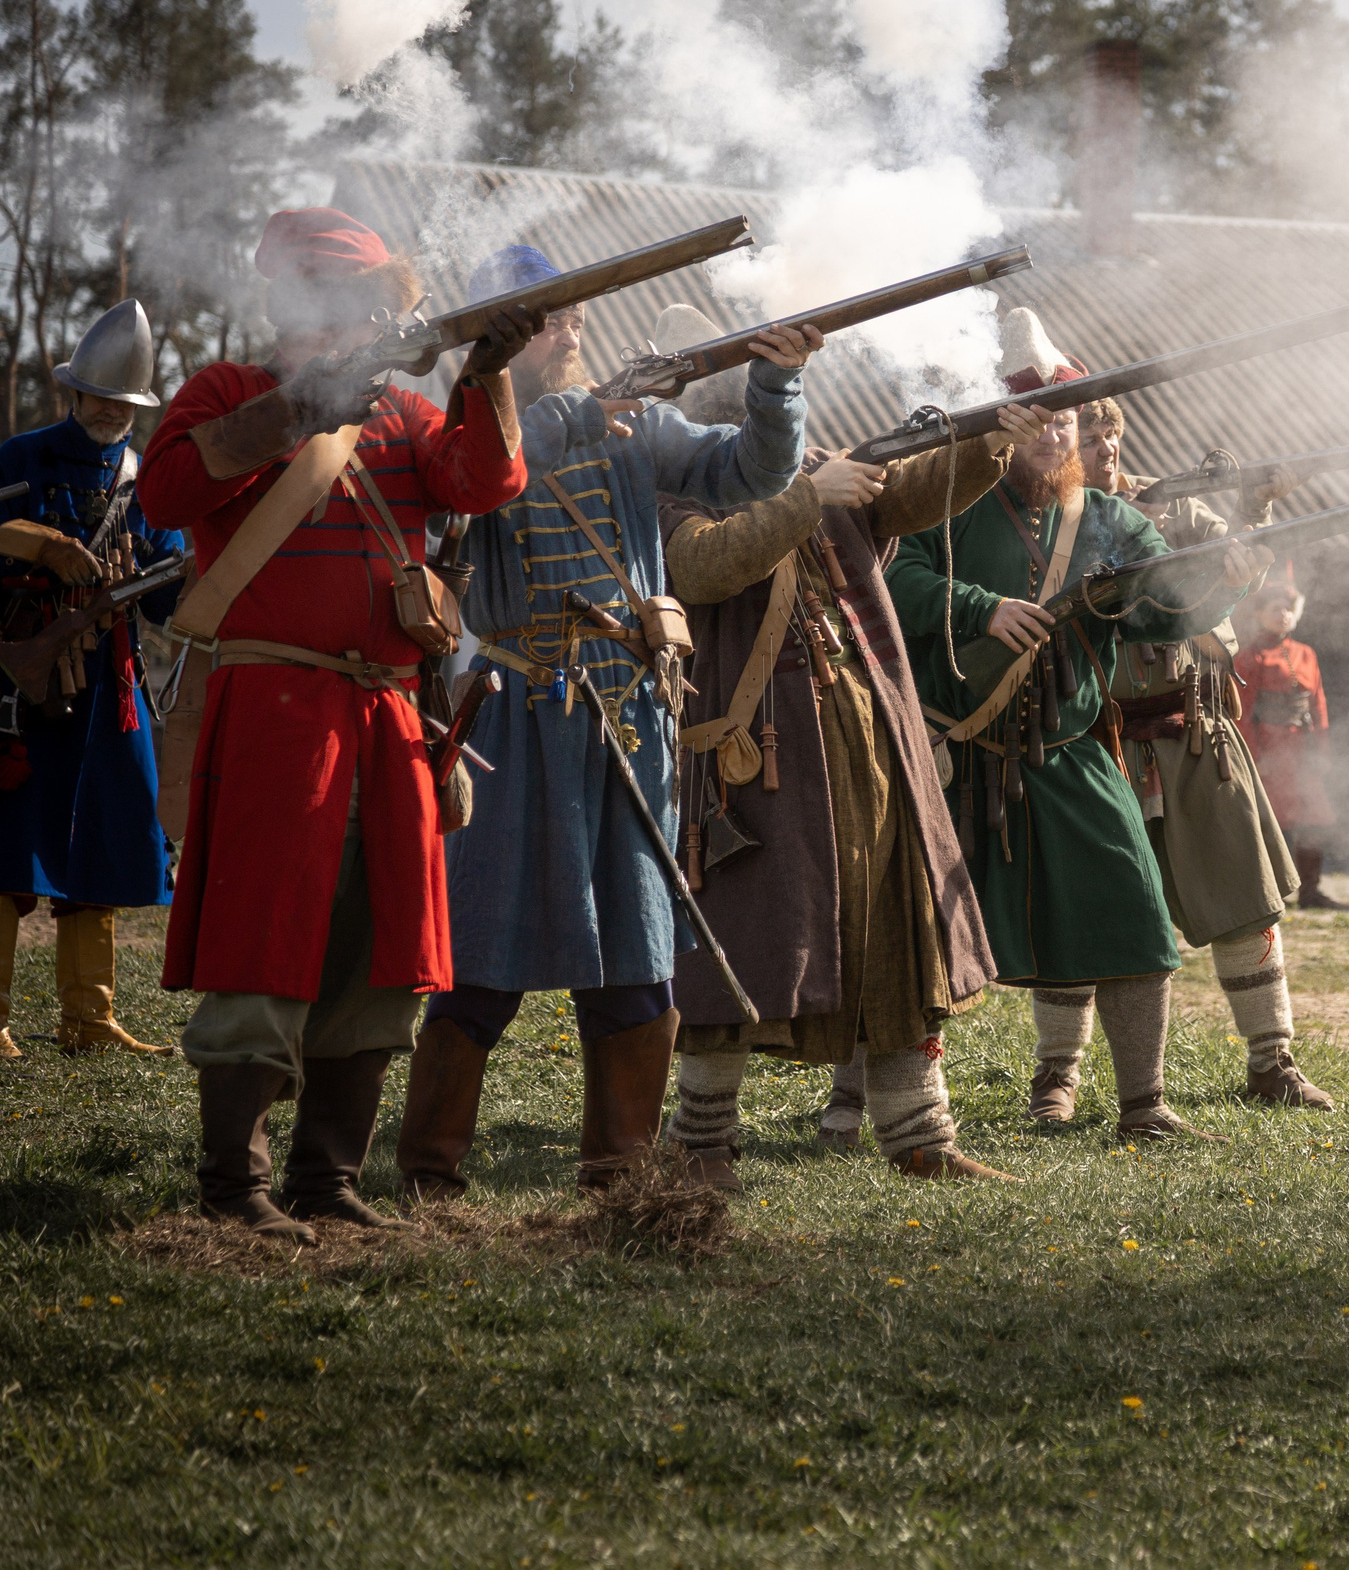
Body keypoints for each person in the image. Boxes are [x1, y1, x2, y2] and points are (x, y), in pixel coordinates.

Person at [139, 208, 533, 1242]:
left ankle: (327, 1177)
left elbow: (481, 482)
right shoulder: (229, 392)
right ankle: (235, 1182)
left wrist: (485, 375)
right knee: (263, 942)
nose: (354, 319)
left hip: (390, 716)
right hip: (279, 709)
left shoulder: (402, 414)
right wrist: (296, 412)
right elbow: (171, 490)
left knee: (377, 949)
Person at [393, 249, 813, 1202]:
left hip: (627, 719)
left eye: (576, 318)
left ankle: (621, 1177)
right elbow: (477, 477)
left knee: (637, 956)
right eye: (550, 320)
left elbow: (745, 474)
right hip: (521, 722)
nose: (572, 332)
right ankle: (429, 1175)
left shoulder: (632, 422)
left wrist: (776, 383)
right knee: (483, 957)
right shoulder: (484, 425)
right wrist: (573, 416)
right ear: (502, 336)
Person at [654, 297, 1026, 1187]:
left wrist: (995, 430)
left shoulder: (818, 469)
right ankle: (701, 1141)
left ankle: (918, 1132)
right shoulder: (672, 489)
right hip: (757, 749)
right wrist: (800, 496)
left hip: (867, 732)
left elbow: (913, 494)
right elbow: (706, 564)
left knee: (899, 927)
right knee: (740, 940)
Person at [885, 308, 1267, 1141]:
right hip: (959, 751)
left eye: (1066, 420)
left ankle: (1144, 1105)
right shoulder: (946, 499)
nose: (1058, 437)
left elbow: (1163, 610)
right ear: (1002, 426)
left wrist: (1226, 583)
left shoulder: (1110, 518)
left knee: (1133, 910)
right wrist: (982, 610)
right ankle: (867, 1101)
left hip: (1068, 748)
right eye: (1041, 421)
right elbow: (898, 581)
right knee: (909, 936)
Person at [1082, 391, 1332, 1109]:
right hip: (1101, 737)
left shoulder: (1175, 511)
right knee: (1093, 911)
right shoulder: (1057, 525)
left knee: (1247, 898)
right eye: (1090, 434)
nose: (1105, 446)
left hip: (1195, 727)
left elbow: (1233, 562)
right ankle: (1056, 1077)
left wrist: (1256, 511)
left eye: (1112, 432)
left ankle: (1272, 1061)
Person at [0, 300, 184, 1057]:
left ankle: (90, 1016)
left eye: (125, 401)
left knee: (108, 836)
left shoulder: (150, 480)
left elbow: (172, 594)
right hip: (22, 678)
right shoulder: (23, 456)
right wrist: (43, 544)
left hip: (111, 687)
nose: (112, 412)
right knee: (7, 844)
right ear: (73, 393)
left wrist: (157, 577)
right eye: (101, 397)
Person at [1234, 578, 1347, 910]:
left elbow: (1319, 705)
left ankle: (1310, 891)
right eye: (1275, 609)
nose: (1282, 615)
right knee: (1274, 819)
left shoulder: (1307, 653)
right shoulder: (1249, 656)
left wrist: (1322, 752)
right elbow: (1243, 712)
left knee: (1315, 816)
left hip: (1303, 749)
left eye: (1287, 608)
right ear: (1260, 613)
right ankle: (1271, 893)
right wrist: (1255, 757)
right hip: (1270, 749)